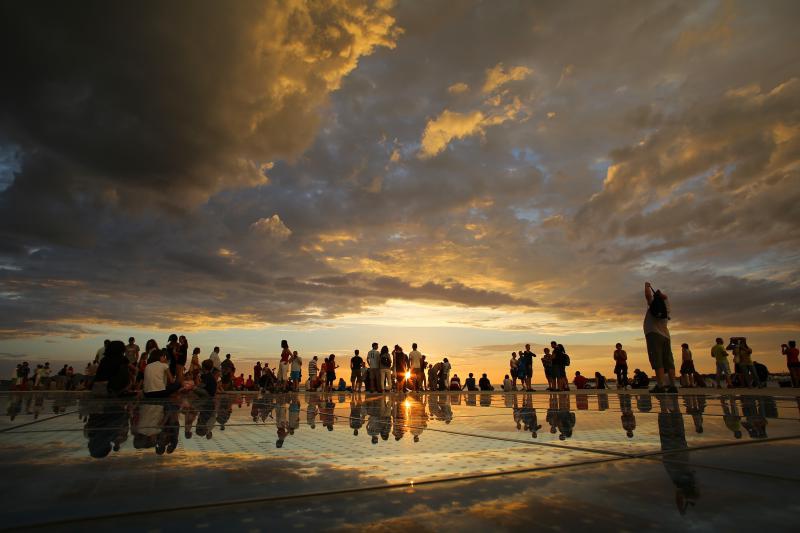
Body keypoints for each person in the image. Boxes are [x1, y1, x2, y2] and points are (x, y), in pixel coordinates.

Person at [643, 282, 677, 393]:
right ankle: (673, 385)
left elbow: (648, 296)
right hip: (666, 336)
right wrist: (661, 295)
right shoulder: (666, 308)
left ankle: (660, 385)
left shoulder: (654, 304)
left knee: (658, 361)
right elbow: (665, 297)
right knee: (668, 361)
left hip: (654, 334)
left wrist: (647, 286)